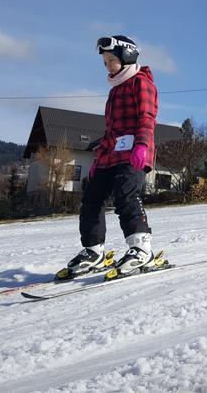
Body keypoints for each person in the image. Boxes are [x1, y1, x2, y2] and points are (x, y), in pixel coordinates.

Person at [59, 35, 158, 279]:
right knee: (92, 199)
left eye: (111, 60)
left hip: (134, 153)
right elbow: (110, 131)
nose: (107, 66)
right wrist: (98, 159)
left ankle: (141, 248)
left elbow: (147, 117)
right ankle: (94, 250)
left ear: (127, 57)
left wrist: (142, 145)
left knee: (126, 195)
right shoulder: (114, 91)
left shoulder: (141, 83)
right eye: (104, 61)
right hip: (111, 155)